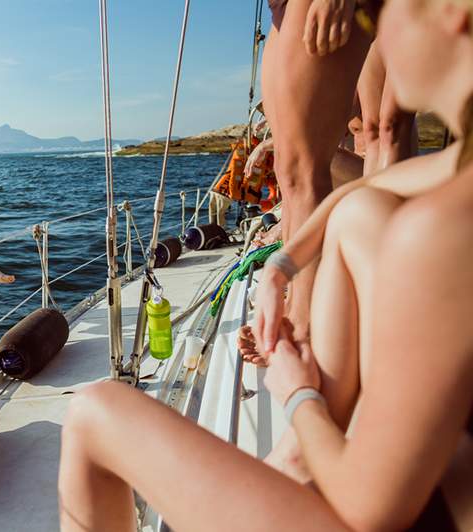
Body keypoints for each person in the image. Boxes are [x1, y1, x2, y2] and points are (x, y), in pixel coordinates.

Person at [57, 1, 473, 530]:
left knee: (96, 414)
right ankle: (301, 457)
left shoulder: (438, 232)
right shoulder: (458, 174)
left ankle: (306, 446)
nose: (377, 38)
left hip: (392, 509)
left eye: (386, 11)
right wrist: (281, 267)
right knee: (358, 212)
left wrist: (296, 392)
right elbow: (366, 190)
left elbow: (372, 510)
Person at [260, 0, 371, 343]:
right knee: (287, 165)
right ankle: (295, 301)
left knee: (303, 167)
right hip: (280, 11)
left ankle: (306, 324)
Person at [356, 40, 418, 175]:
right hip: (372, 26)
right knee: (371, 129)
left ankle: (387, 193)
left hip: (406, 25)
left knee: (392, 126)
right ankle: (371, 190)